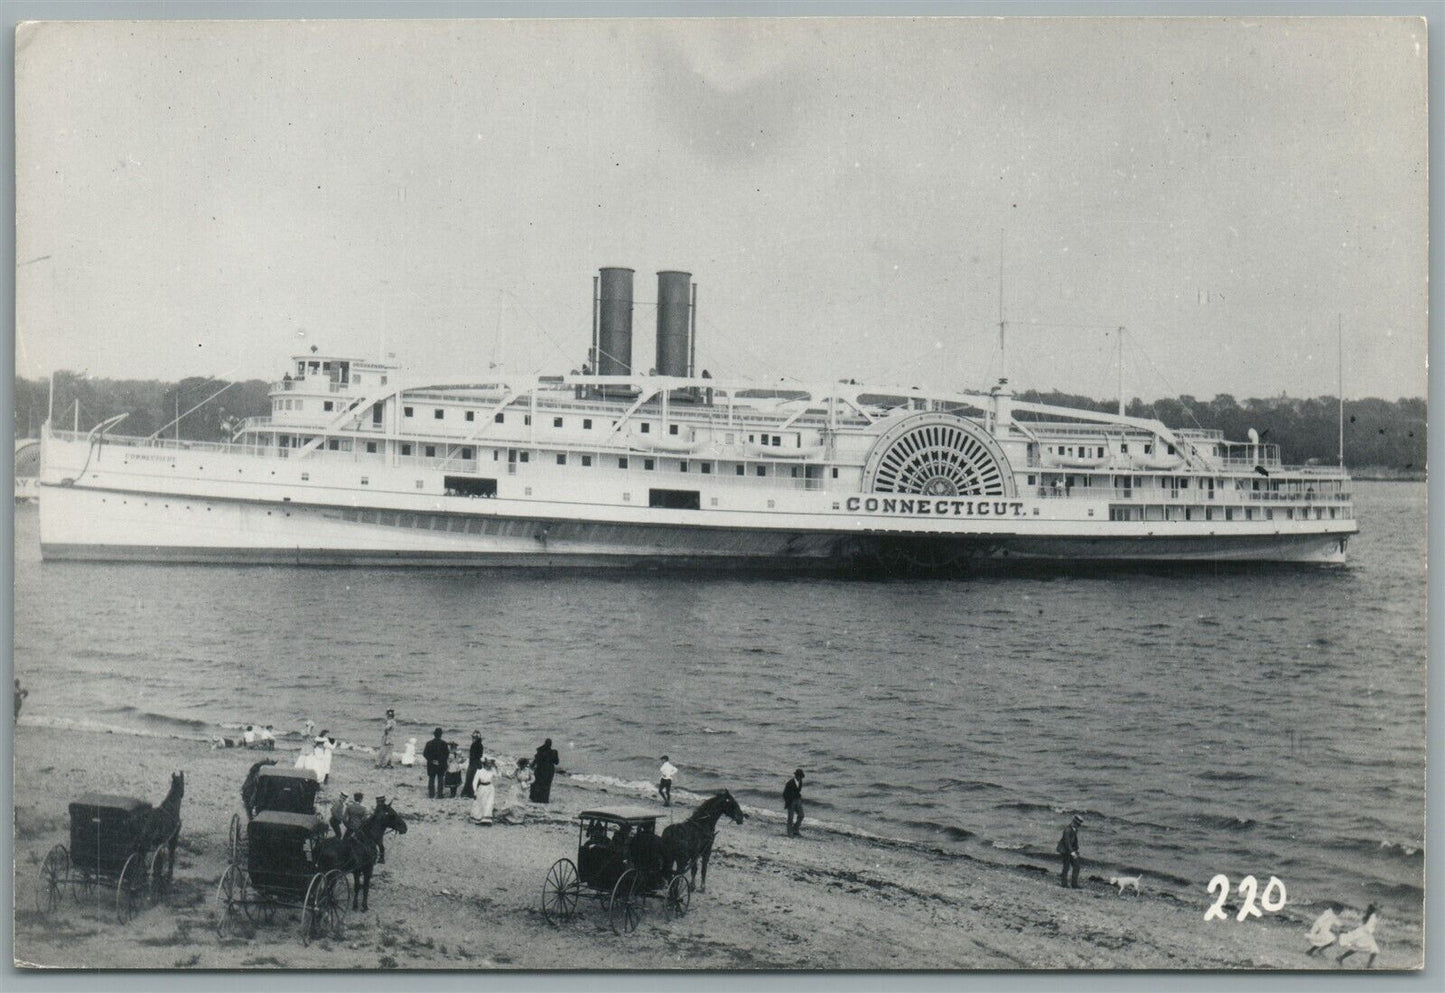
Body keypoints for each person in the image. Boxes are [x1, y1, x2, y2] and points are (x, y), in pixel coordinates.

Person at [530, 739, 562, 803]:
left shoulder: (540, 750)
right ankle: (543, 800)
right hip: (548, 771)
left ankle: (536, 800)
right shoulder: (553, 752)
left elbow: (535, 761)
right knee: (546, 786)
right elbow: (556, 762)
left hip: (540, 770)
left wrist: (531, 766)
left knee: (537, 785)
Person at [1057, 814, 1084, 889]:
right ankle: (1064, 884)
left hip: (1070, 850)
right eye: (1077, 823)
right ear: (1074, 822)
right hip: (1065, 850)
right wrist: (1073, 853)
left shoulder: (1074, 829)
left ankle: (1074, 884)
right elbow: (1067, 842)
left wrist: (1076, 850)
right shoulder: (1067, 830)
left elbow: (1074, 842)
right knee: (1066, 867)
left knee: (1076, 866)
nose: (1078, 825)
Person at [469, 758, 498, 825]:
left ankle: (487, 819)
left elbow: (497, 776)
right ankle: (479, 818)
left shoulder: (492, 771)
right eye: (488, 763)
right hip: (482, 788)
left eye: (490, 763)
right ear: (484, 764)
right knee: (481, 803)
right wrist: (475, 791)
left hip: (490, 788)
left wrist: (495, 767)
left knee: (489, 803)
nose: (489, 765)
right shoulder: (479, 771)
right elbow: (474, 782)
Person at [423, 728, 449, 799]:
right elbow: (446, 755)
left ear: (434, 734)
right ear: (441, 735)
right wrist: (439, 761)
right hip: (441, 764)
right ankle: (440, 794)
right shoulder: (444, 743)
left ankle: (431, 794)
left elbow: (425, 754)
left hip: (431, 764)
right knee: (440, 779)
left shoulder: (429, 743)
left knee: (431, 779)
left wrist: (432, 760)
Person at [462, 731, 484, 799]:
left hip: (473, 763)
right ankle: (477, 792)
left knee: (470, 777)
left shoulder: (473, 745)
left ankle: (469, 793)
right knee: (477, 778)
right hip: (478, 763)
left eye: (474, 737)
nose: (473, 739)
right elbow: (480, 755)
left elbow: (472, 755)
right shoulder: (481, 745)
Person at [783, 769, 805, 837]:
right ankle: (790, 833)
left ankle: (795, 829)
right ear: (796, 776)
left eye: (801, 776)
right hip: (791, 801)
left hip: (798, 800)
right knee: (790, 818)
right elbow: (784, 794)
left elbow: (798, 791)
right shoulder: (790, 783)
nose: (800, 778)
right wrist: (789, 801)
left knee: (801, 815)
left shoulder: (800, 781)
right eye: (799, 776)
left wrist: (798, 799)